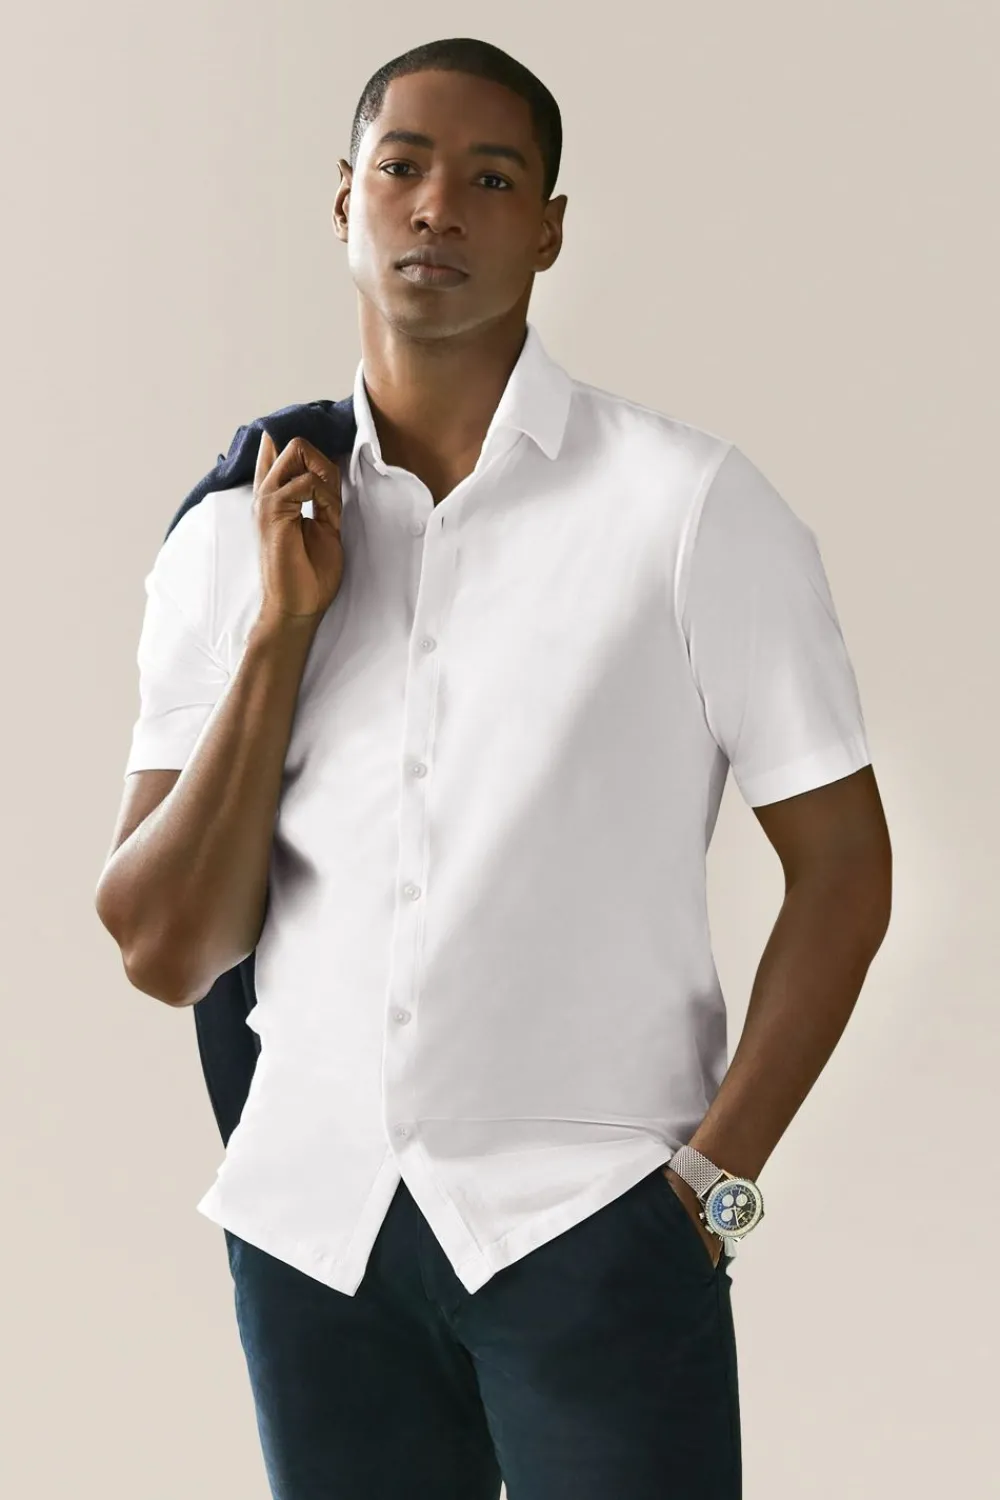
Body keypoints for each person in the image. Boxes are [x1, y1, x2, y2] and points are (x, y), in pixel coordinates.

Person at [95, 35, 892, 1500]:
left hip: (593, 1225)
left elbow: (844, 872)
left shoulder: (689, 510)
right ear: (344, 200)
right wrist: (281, 634)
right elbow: (163, 946)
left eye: (492, 178)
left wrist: (710, 1195)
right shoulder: (232, 535)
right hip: (316, 1236)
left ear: (551, 228)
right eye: (401, 167)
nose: (437, 206)